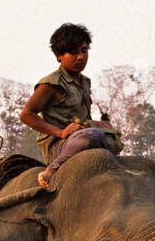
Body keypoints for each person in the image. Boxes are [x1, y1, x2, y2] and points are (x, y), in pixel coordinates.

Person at [19, 23, 121, 189]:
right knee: (91, 135)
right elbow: (26, 114)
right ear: (59, 56)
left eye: (84, 51)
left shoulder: (85, 82)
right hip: (61, 146)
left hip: (82, 137)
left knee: (110, 137)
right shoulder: (51, 83)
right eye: (73, 53)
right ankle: (52, 170)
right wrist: (60, 132)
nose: (80, 57)